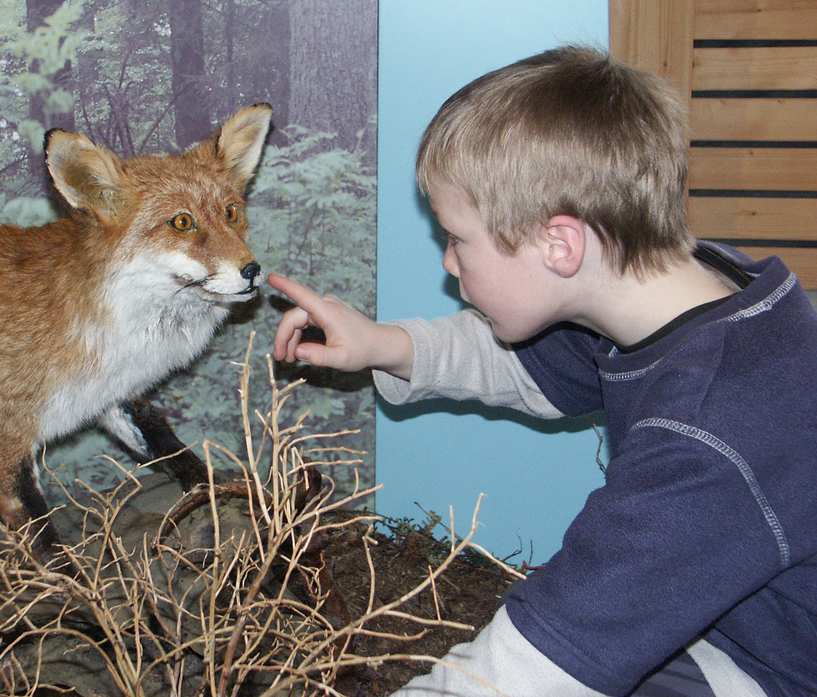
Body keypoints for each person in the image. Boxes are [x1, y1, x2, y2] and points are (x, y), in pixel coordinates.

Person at [269, 45, 817, 697]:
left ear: (559, 245)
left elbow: (522, 676)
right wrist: (382, 344)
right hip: (719, 611)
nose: (448, 263)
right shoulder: (686, 293)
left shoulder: (709, 436)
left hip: (763, 665)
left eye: (457, 238)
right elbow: (523, 370)